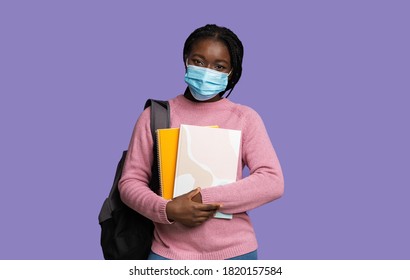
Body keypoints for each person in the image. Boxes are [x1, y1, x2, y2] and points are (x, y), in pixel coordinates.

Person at [118, 24, 284, 260]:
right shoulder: (155, 115)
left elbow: (272, 181)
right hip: (168, 253)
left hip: (235, 253)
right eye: (198, 61)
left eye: (219, 66)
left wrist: (203, 198)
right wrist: (168, 209)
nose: (207, 71)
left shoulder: (245, 118)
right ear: (186, 60)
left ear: (231, 72)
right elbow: (130, 183)